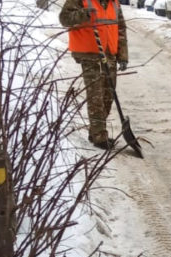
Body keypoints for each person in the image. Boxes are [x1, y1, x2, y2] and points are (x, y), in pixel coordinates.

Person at [60, 0, 129, 149]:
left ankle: (96, 131)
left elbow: (121, 28)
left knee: (108, 95)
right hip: (89, 54)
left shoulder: (114, 3)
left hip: (109, 54)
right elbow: (64, 19)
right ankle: (99, 136)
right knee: (96, 95)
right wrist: (83, 15)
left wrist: (123, 55)